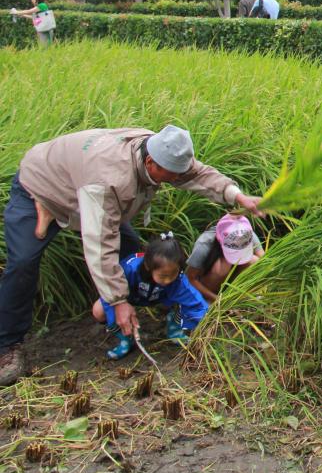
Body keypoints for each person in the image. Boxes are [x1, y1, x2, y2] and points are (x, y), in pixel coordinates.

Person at [0, 125, 264, 386]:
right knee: (23, 264)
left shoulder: (160, 147)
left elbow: (197, 175)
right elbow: (100, 244)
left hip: (78, 184)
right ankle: (7, 345)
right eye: (171, 176)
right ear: (150, 162)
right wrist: (117, 300)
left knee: (134, 258)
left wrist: (237, 196)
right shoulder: (107, 181)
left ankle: (149, 309)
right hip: (40, 184)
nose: (175, 180)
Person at [91, 232, 208, 360]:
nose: (168, 280)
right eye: (163, 275)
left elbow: (195, 302)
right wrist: (119, 320)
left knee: (186, 303)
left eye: (173, 274)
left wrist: (205, 322)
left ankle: (174, 327)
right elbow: (110, 293)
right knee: (99, 311)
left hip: (162, 297)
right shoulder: (129, 269)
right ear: (148, 266)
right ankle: (126, 337)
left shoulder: (177, 279)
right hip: (127, 298)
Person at [186, 214, 264, 303]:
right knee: (220, 268)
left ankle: (237, 296)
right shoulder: (204, 245)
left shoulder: (244, 233)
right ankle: (209, 300)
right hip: (210, 284)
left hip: (232, 277)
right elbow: (191, 278)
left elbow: (264, 260)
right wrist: (217, 299)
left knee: (255, 261)